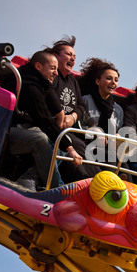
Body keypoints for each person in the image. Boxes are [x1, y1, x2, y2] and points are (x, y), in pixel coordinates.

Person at [6, 51, 83, 190]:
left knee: (61, 142)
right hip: (5, 133)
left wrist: (60, 116)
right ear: (38, 66)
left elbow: (52, 104)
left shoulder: (41, 81)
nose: (56, 73)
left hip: (24, 129)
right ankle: (56, 189)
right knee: (43, 139)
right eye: (53, 68)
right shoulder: (30, 85)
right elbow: (44, 119)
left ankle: (29, 177)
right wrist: (70, 148)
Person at [46, 36, 102, 181]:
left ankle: (98, 182)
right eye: (68, 54)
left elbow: (81, 105)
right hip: (51, 126)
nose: (72, 59)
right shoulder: (50, 75)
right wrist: (60, 115)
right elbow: (47, 95)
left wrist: (73, 117)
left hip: (68, 128)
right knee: (76, 147)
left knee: (84, 148)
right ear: (55, 56)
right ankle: (89, 183)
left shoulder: (72, 80)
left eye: (74, 57)